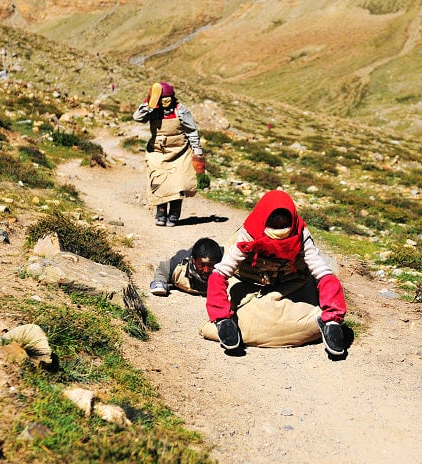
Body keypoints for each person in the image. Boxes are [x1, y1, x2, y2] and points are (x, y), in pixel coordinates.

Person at [205, 190, 347, 356]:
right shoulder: (248, 233)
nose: (279, 232)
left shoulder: (301, 234)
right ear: (264, 221)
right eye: (274, 227)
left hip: (290, 284)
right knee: (292, 323)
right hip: (250, 282)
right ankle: (225, 323)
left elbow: (321, 271)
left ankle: (327, 325)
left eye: (283, 227)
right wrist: (222, 316)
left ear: (292, 222)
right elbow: (222, 272)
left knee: (275, 321)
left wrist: (333, 318)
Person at [133, 81, 206, 227]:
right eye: (161, 99)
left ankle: (174, 214)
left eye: (167, 99)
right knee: (159, 182)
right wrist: (148, 103)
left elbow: (192, 132)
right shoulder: (152, 109)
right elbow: (137, 117)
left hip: (180, 152)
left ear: (172, 98)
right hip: (157, 151)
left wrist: (197, 151)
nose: (165, 102)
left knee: (178, 184)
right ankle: (160, 214)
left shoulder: (181, 110)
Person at [150, 238, 223, 297]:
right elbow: (162, 270)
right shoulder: (179, 263)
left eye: (211, 265)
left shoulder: (227, 263)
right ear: (193, 260)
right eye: (201, 265)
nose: (206, 270)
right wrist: (159, 281)